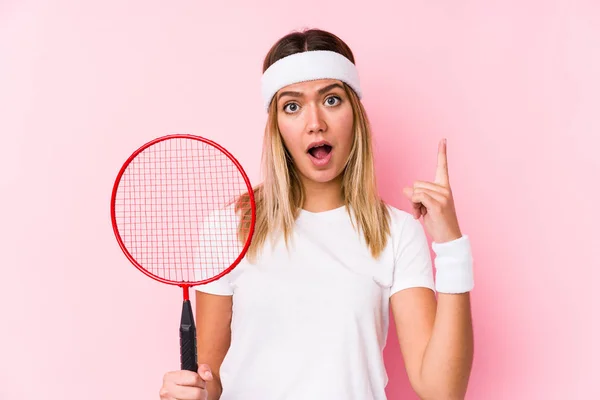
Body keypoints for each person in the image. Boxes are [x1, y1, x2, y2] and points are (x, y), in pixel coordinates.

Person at [159, 28, 474, 400]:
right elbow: (210, 379)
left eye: (332, 100)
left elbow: (443, 390)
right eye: (292, 106)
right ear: (276, 126)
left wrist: (452, 247)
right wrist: (189, 392)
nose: (315, 123)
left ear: (355, 114)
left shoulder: (396, 232)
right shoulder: (230, 227)